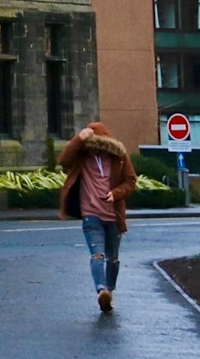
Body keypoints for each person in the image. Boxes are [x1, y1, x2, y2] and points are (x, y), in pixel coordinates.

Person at [59, 121, 137, 312]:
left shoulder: (118, 157)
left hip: (113, 215)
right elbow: (63, 161)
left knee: (113, 259)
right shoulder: (81, 156)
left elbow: (131, 180)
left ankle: (109, 292)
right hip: (91, 214)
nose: (95, 152)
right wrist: (79, 138)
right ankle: (101, 290)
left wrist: (116, 193)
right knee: (97, 255)